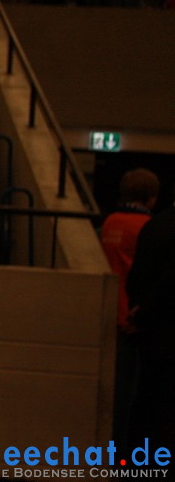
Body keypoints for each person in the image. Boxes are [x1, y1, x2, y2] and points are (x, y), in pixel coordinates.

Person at [100, 168, 159, 446]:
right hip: (133, 320)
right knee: (129, 398)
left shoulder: (110, 223)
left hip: (109, 313)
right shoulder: (146, 228)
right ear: (151, 198)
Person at [126, 195, 175, 448]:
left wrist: (138, 312)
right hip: (168, 327)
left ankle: (136, 462)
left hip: (148, 331)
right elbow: (169, 283)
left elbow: (135, 276)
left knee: (145, 398)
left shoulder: (153, 225)